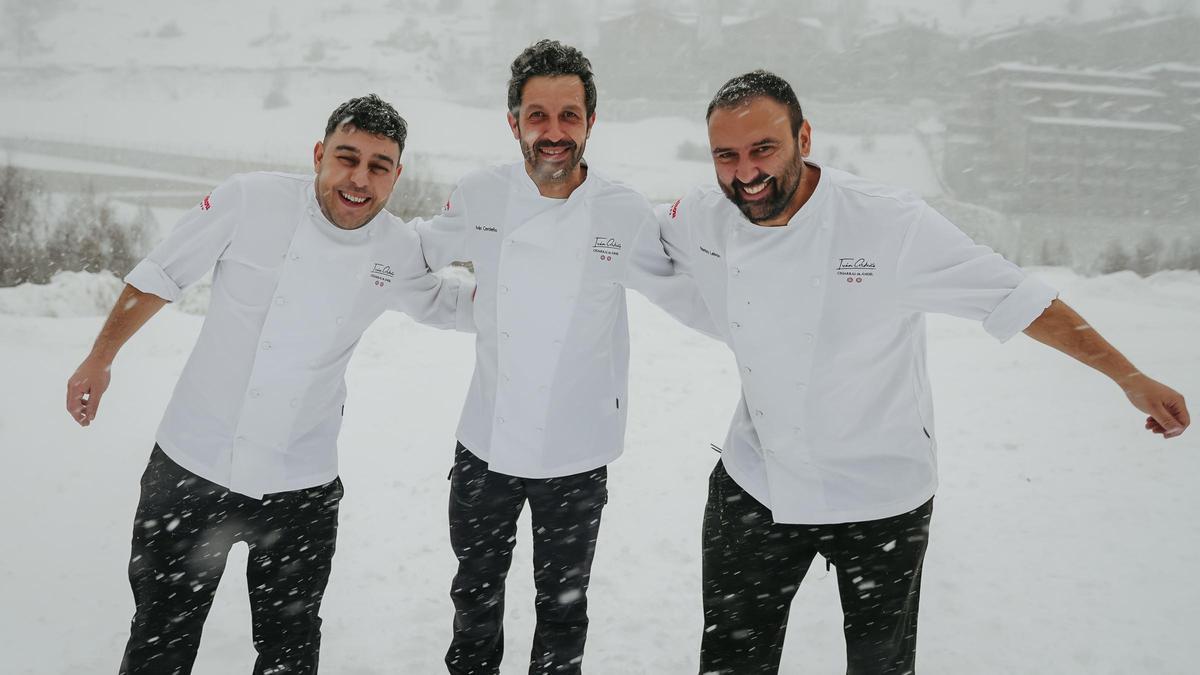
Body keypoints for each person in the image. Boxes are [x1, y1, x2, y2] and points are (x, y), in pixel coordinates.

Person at [655, 70, 1191, 675]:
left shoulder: (889, 223)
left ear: (803, 136)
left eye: (763, 149)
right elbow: (630, 231)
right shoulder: (702, 214)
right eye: (726, 155)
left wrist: (1128, 376)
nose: (745, 173)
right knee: (730, 663)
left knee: (881, 665)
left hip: (880, 493)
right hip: (757, 485)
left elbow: (1016, 297)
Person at [65, 94, 475, 674]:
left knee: (291, 652)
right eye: (347, 158)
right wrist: (99, 357)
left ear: (396, 176)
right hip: (192, 465)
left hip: (301, 484)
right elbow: (162, 273)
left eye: (378, 166)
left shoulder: (398, 249)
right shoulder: (249, 199)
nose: (359, 179)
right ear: (318, 154)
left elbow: (452, 305)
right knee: (161, 642)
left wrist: (542, 292)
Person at [414, 40, 711, 675]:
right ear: (514, 120)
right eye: (538, 115)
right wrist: (469, 309)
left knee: (563, 613)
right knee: (474, 601)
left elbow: (690, 294)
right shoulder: (479, 196)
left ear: (591, 121)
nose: (553, 132)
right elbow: (413, 260)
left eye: (568, 115)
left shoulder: (622, 211)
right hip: (485, 442)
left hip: (576, 453)